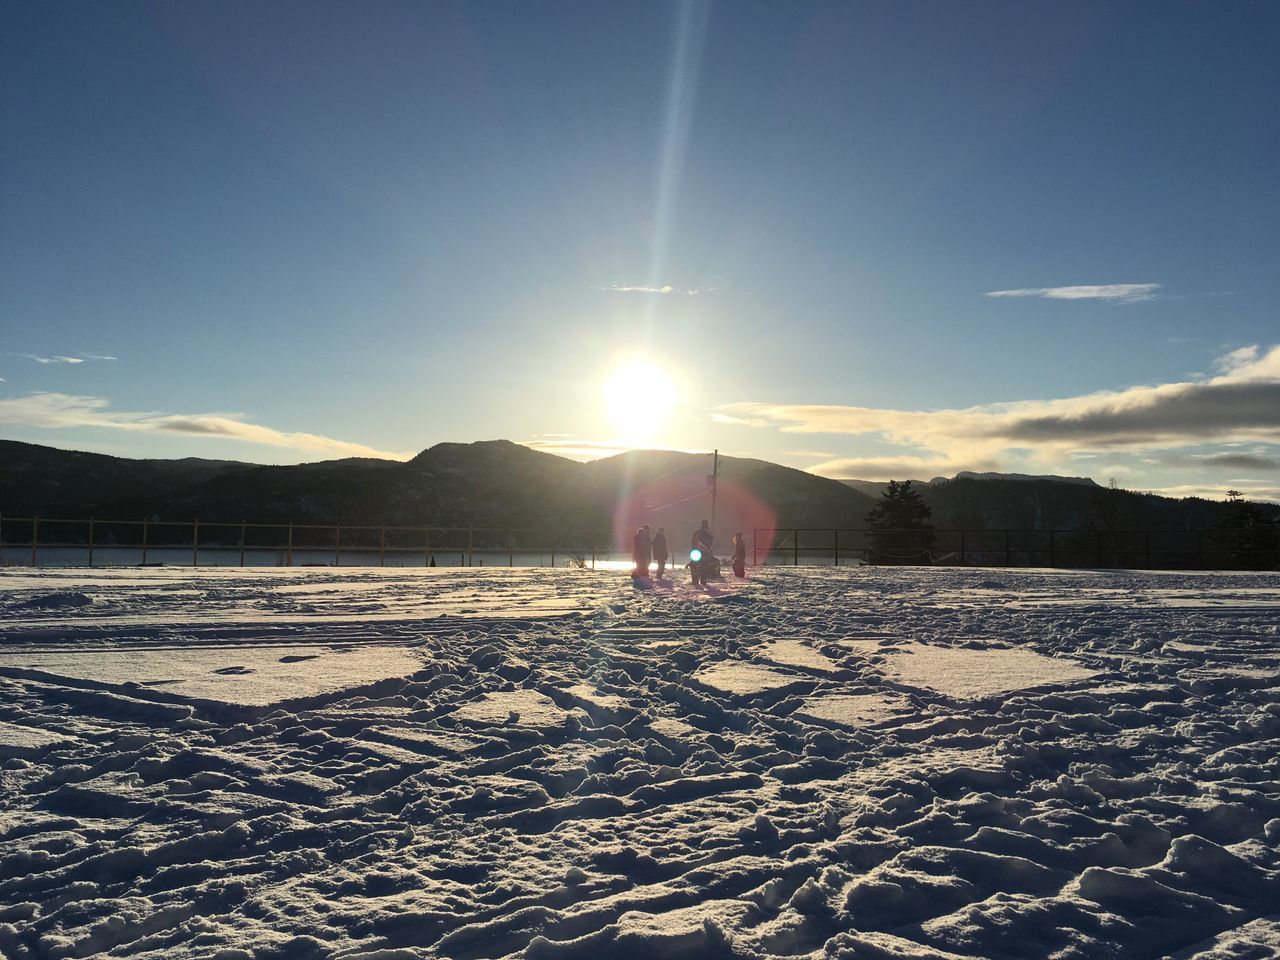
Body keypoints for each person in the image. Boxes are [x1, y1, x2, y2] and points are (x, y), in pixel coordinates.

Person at [690, 520, 713, 585]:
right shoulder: (708, 534)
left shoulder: (698, 533)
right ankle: (702, 580)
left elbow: (693, 542)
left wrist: (693, 549)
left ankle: (697, 580)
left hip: (697, 552)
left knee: (695, 565)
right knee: (703, 566)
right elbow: (710, 544)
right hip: (702, 552)